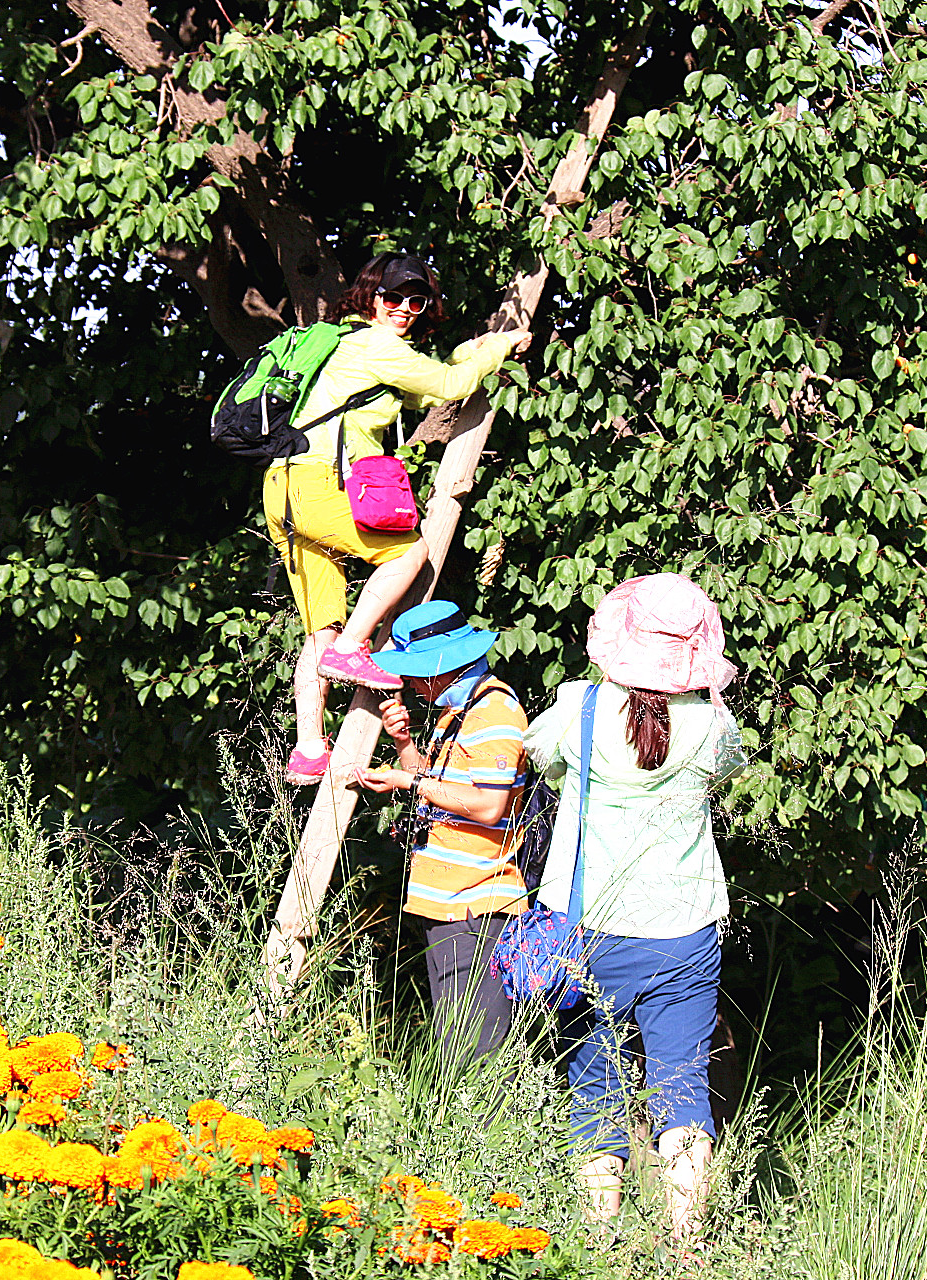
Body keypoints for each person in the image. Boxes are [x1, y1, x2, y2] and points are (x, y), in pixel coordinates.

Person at [520, 573, 745, 1240]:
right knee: (682, 1088)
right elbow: (722, 776)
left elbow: (542, 760)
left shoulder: (577, 710)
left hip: (589, 931)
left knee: (595, 1086)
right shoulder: (712, 727)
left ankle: (600, 1244)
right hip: (684, 930)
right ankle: (686, 1247)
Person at [267, 252, 532, 784]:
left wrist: (470, 352)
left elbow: (430, 382)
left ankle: (308, 750)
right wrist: (501, 345)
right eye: (394, 297)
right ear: (370, 297)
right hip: (315, 482)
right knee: (409, 552)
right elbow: (453, 387)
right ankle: (350, 652)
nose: (406, 309)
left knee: (322, 626)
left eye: (417, 300)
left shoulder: (346, 347)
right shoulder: (375, 344)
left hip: (284, 487)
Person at [352, 600, 531, 1066]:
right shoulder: (459, 713)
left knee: (477, 1051)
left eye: (414, 672)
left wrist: (405, 779)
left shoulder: (495, 714)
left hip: (479, 905)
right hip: (446, 904)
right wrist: (404, 747)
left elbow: (489, 806)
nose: (409, 683)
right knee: (455, 1043)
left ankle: (484, 1138)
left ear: (443, 668)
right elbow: (437, 791)